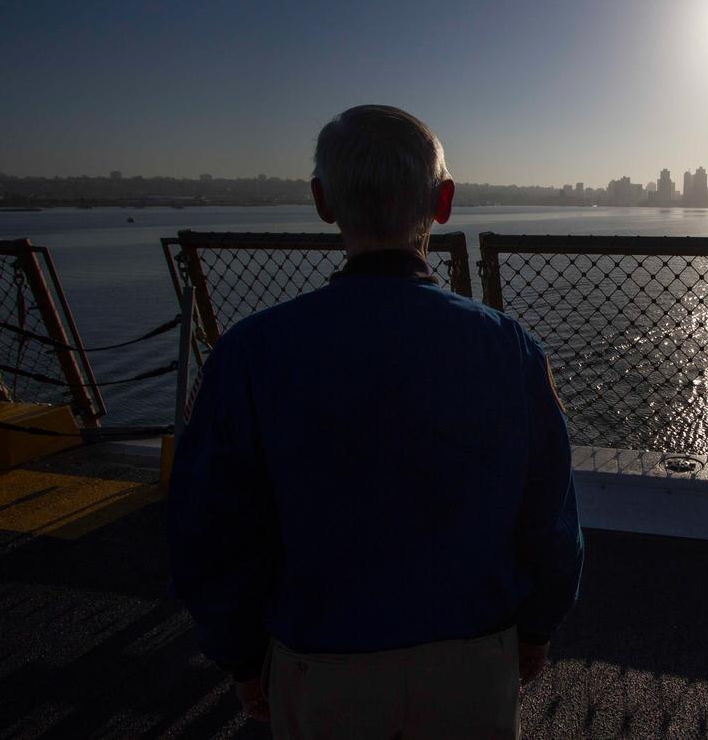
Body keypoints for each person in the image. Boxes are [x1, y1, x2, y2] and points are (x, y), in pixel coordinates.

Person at [168, 104, 584, 738]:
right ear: (443, 202)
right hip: (473, 659)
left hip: (318, 662)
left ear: (321, 201)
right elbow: (549, 514)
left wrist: (241, 656)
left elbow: (213, 530)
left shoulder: (250, 354)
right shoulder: (509, 349)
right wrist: (536, 626)